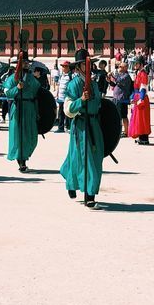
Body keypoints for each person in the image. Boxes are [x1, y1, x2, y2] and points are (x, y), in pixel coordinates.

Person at [59, 48, 104, 207]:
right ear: (78, 67)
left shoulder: (94, 83)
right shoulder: (74, 84)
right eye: (87, 64)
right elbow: (68, 109)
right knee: (85, 159)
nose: (90, 66)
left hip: (94, 125)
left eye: (90, 64)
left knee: (94, 159)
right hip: (81, 125)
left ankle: (71, 180)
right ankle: (89, 195)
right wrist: (81, 100)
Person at [3, 52, 39, 173]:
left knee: (31, 135)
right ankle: (21, 161)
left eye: (26, 62)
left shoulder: (31, 77)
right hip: (18, 107)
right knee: (19, 135)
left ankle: (25, 156)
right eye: (23, 62)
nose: (26, 64)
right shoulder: (12, 79)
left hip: (30, 108)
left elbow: (38, 91)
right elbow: (7, 93)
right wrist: (17, 88)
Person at [128, 57, 151, 145]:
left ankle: (144, 138)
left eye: (137, 63)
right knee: (140, 119)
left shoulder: (143, 74)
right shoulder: (139, 73)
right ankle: (142, 137)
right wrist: (133, 97)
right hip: (138, 97)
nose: (135, 65)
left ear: (141, 64)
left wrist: (141, 99)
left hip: (142, 98)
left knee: (142, 119)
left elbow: (143, 88)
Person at [111, 61, 133, 138]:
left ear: (125, 68)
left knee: (123, 116)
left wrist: (114, 74)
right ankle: (122, 131)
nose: (119, 68)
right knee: (119, 115)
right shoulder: (121, 75)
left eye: (120, 67)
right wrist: (109, 79)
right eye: (119, 66)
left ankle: (126, 131)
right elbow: (114, 83)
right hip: (117, 98)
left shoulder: (126, 76)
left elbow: (118, 80)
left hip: (122, 98)